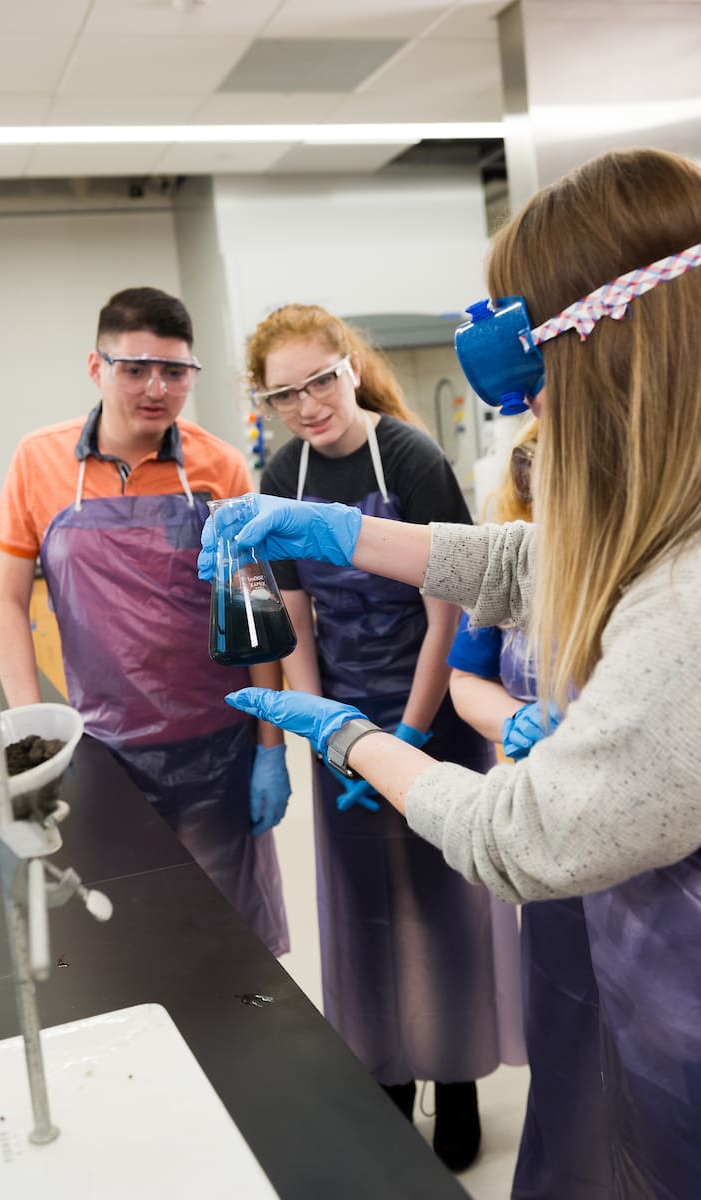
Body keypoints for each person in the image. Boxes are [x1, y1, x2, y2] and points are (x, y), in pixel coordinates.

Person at [198, 147, 701, 1199]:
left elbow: (516, 836)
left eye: (528, 376)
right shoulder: (670, 514)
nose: (528, 414)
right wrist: (342, 534)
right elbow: (532, 559)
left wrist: (358, 734)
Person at [246, 304, 525, 1171]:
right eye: (283, 393)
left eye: (320, 380)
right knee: (361, 902)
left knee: (440, 904)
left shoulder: (409, 456)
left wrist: (404, 730)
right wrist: (327, 731)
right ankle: (389, 1070)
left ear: (351, 367)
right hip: (344, 713)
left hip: (430, 708)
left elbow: (448, 613)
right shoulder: (281, 470)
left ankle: (458, 1078)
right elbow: (294, 611)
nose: (307, 404)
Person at [0, 286, 290, 956]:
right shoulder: (39, 462)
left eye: (175, 371)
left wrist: (271, 746)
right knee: (126, 938)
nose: (156, 388)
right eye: (135, 368)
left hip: (219, 748)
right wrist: (36, 733)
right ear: (97, 368)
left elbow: (255, 612)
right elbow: (6, 600)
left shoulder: (221, 467)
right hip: (101, 753)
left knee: (225, 942)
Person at [448, 421, 611, 1199]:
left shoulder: (644, 569)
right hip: (543, 822)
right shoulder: (508, 560)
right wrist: (510, 715)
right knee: (567, 1023)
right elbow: (464, 679)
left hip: (637, 838)